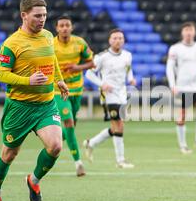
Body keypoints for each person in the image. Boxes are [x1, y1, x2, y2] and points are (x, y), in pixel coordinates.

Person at [0, 0, 69, 201]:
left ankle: (33, 180)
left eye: (44, 15)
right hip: (19, 108)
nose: (42, 20)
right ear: (24, 15)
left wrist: (59, 79)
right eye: (37, 16)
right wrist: (27, 81)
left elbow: (51, 60)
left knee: (55, 146)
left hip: (45, 105)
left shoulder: (47, 36)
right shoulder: (12, 43)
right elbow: (0, 74)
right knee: (9, 154)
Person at [83, 28, 136, 168]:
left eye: (120, 38)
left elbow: (128, 70)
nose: (118, 40)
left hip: (121, 94)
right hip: (108, 96)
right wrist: (102, 84)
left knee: (118, 127)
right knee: (118, 124)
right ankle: (120, 161)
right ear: (109, 40)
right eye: (115, 38)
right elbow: (89, 74)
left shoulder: (127, 55)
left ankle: (91, 143)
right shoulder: (102, 57)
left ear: (124, 40)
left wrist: (131, 79)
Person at [54, 14, 94, 177]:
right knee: (69, 122)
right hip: (58, 90)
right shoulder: (50, 44)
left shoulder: (79, 43)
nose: (64, 28)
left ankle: (55, 143)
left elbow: (92, 63)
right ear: (57, 28)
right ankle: (78, 163)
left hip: (77, 90)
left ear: (71, 27)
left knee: (70, 127)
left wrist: (77, 68)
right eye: (61, 25)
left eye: (67, 25)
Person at [166, 22, 196, 154]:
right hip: (182, 87)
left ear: (194, 32)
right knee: (181, 117)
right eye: (186, 30)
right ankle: (183, 145)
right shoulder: (175, 49)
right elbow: (169, 68)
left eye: (191, 30)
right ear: (182, 33)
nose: (189, 32)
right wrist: (172, 85)